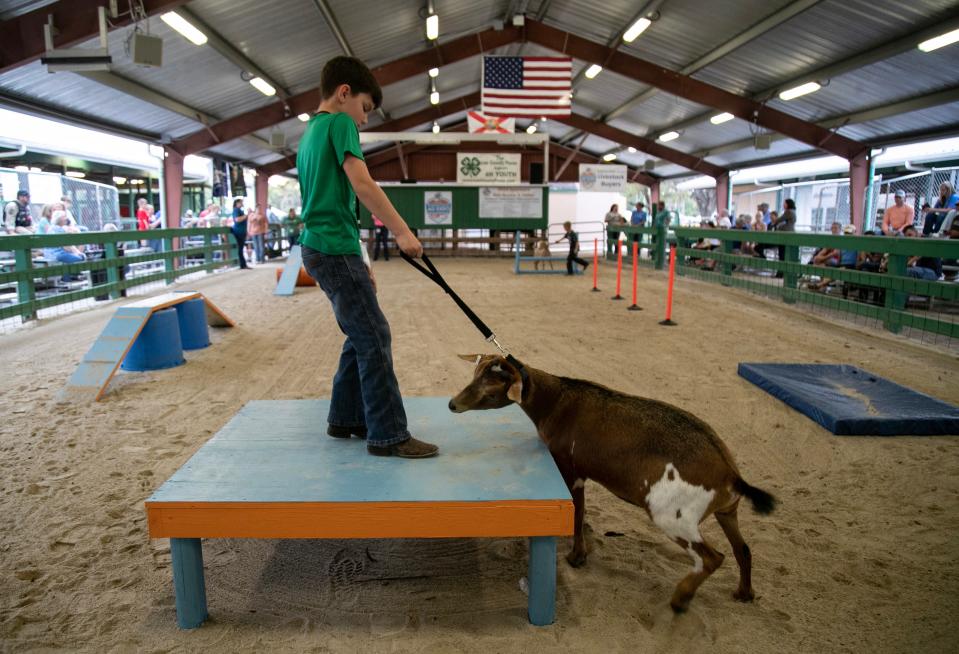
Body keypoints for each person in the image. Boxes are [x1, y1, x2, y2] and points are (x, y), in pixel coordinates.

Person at [297, 55, 436, 459]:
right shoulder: (339, 123)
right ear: (344, 94)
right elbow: (362, 184)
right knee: (376, 336)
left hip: (321, 246)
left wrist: (363, 262)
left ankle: (344, 418)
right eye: (365, 109)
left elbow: (332, 202)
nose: (364, 121)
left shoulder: (309, 132)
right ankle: (389, 435)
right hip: (334, 247)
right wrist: (402, 231)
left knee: (360, 334)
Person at [755, 199, 796, 277]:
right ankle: (782, 273)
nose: (783, 205)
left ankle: (781, 273)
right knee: (783, 255)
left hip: (784, 237)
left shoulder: (788, 212)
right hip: (787, 236)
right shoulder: (793, 212)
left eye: (784, 203)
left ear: (787, 204)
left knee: (782, 255)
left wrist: (775, 222)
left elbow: (779, 220)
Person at [43, 210, 86, 281]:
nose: (66, 218)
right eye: (64, 217)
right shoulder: (59, 229)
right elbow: (66, 247)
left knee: (71, 257)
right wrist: (78, 253)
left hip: (49, 254)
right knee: (81, 257)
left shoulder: (51, 228)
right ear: (59, 219)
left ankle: (69, 277)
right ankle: (67, 278)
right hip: (57, 255)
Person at [229, 198, 249, 269]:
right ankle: (242, 264)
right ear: (237, 203)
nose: (242, 203)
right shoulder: (236, 210)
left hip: (242, 231)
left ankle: (243, 264)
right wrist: (246, 216)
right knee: (240, 248)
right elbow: (237, 219)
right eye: (241, 202)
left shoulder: (240, 210)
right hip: (238, 231)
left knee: (241, 248)